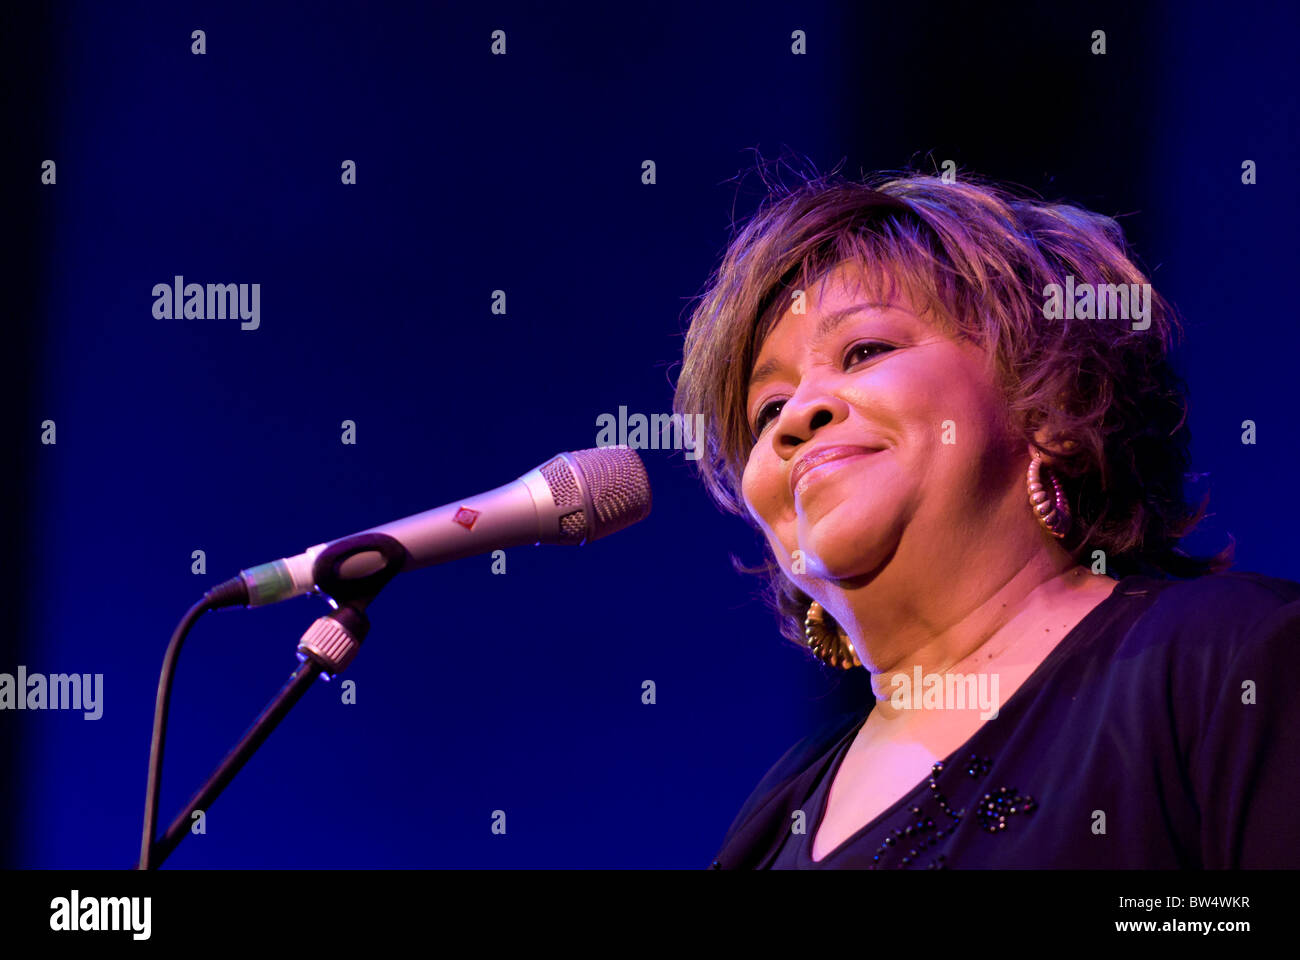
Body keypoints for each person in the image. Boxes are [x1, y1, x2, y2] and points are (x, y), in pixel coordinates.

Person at [672, 169, 1300, 869]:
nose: (796, 416)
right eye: (767, 411)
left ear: (1051, 398)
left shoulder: (1232, 658)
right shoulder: (769, 825)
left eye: (866, 350)